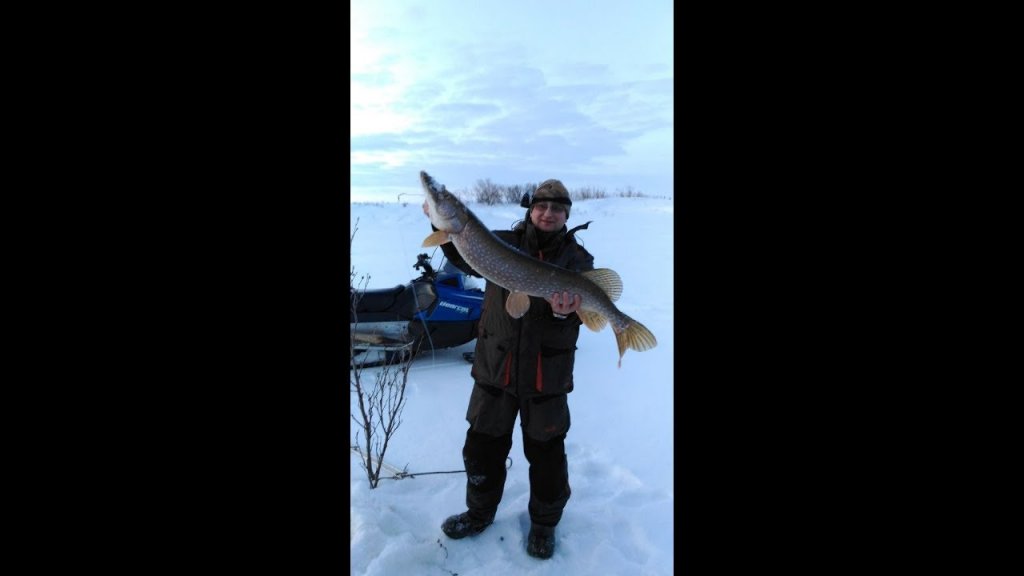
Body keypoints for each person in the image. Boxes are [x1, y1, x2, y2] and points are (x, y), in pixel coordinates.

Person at [422, 179, 594, 560]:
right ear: (530, 210)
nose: (548, 213)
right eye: (541, 206)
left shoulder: (578, 261)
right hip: (495, 369)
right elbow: (459, 256)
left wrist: (564, 312)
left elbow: (582, 316)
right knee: (481, 450)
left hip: (545, 375)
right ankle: (479, 512)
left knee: (548, 458)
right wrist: (439, 227)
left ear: (566, 215)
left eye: (558, 208)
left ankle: (544, 525)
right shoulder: (500, 242)